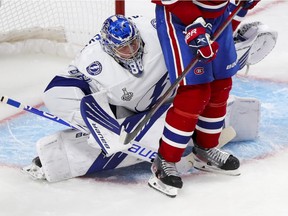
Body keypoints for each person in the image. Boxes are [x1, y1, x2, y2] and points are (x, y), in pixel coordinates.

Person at [22, 12, 276, 184]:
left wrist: (224, 47)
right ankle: (110, 130)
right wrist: (97, 124)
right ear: (110, 48)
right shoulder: (92, 59)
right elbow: (56, 90)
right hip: (126, 107)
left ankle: (239, 49)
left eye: (133, 44)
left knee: (203, 77)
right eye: (123, 48)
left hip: (168, 94)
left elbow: (194, 30)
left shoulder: (154, 31)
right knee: (60, 96)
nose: (132, 51)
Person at [149, 0, 261, 196]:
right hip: (180, 18)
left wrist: (240, 7)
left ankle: (205, 150)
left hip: (218, 15)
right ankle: (164, 160)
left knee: (221, 86)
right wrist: (195, 24)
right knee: (194, 94)